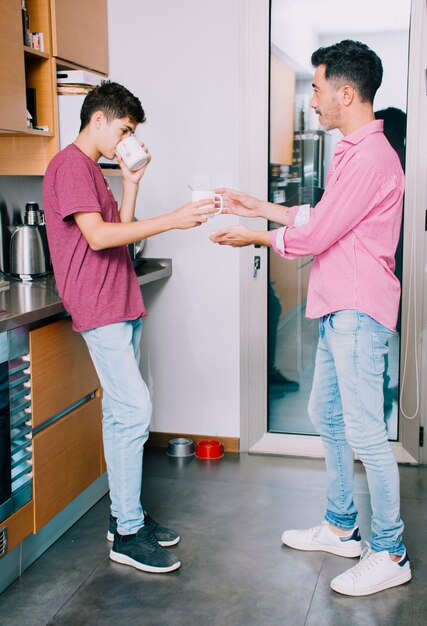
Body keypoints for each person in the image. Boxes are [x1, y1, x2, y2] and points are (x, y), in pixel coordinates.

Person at [210, 40, 410, 596]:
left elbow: (317, 234)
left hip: (356, 310)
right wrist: (260, 206)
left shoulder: (370, 157)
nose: (313, 100)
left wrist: (252, 236)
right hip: (335, 306)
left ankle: (390, 551)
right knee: (327, 413)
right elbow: (323, 216)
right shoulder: (354, 151)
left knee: (368, 433)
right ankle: (342, 526)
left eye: (318, 89)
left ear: (347, 93)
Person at [42, 81, 214, 574]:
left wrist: (131, 182)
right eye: (124, 130)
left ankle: (127, 520)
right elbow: (97, 238)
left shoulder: (92, 171)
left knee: (122, 415)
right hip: (99, 305)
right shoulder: (70, 165)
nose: (126, 140)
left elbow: (121, 234)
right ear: (98, 120)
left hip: (119, 301)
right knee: (134, 410)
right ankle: (127, 530)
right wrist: (173, 219)